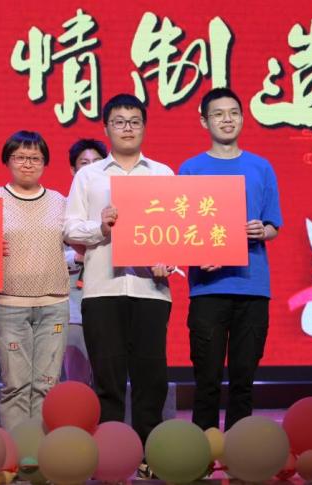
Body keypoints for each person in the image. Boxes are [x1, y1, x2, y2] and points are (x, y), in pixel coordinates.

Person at [64, 94, 174, 461]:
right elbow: (70, 228)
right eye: (119, 121)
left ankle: (150, 457)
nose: (127, 128)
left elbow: (177, 231)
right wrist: (101, 228)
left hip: (151, 290)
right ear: (106, 128)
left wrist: (170, 261)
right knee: (107, 380)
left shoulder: (162, 174)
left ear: (144, 126)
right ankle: (111, 456)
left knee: (151, 379)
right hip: (102, 289)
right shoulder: (89, 176)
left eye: (134, 121)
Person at [179, 87, 282, 432]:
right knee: (206, 380)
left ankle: (239, 448)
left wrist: (262, 230)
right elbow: (182, 228)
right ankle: (201, 450)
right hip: (208, 289)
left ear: (242, 117)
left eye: (234, 113)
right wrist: (198, 255)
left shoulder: (261, 167)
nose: (227, 119)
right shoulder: (191, 169)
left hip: (252, 286)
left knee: (243, 380)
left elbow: (273, 225)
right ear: (204, 121)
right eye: (219, 114)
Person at [0, 130, 69, 431]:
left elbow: (75, 244)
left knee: (47, 387)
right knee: (15, 386)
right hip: (9, 305)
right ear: (7, 160)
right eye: (20, 157)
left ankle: (43, 453)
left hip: (54, 305)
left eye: (35, 158)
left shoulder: (59, 201)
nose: (28, 164)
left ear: (45, 163)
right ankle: (19, 453)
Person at [62, 138, 107, 386]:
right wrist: (77, 256)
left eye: (98, 162)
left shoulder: (116, 207)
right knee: (78, 379)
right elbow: (48, 255)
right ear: (73, 170)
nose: (92, 168)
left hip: (109, 301)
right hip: (74, 308)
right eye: (84, 163)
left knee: (106, 377)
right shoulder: (62, 206)